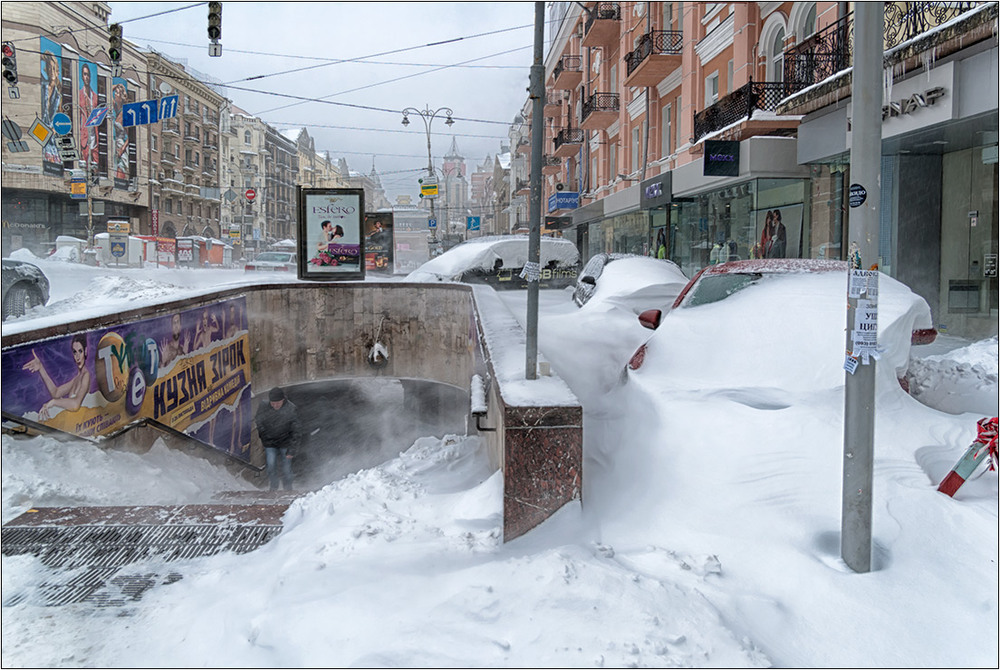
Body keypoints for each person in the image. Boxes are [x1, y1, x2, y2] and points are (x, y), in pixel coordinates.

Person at [22, 334, 92, 421]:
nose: (77, 357)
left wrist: (54, 402)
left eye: (80, 351)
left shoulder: (86, 375)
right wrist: (41, 368)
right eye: (75, 352)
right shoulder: (76, 379)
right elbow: (56, 393)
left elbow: (75, 405)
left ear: (85, 351)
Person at [254, 386, 300, 491]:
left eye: (277, 403)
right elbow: (259, 420)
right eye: (273, 403)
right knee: (271, 466)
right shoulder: (263, 406)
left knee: (286, 468)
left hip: (285, 442)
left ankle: (288, 489)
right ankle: (273, 487)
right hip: (270, 442)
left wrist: (292, 449)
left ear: (283, 400)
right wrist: (264, 434)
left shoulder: (291, 409)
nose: (275, 405)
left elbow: (296, 430)